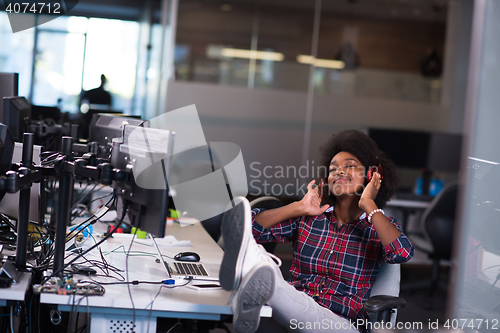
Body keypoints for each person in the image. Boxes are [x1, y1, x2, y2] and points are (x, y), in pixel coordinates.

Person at [220, 129, 415, 333]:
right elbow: (246, 229)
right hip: (292, 309)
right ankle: (257, 274)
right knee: (259, 257)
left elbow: (402, 253)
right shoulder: (310, 219)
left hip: (340, 324)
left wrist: (368, 203)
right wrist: (299, 207)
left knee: (269, 278)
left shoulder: (378, 226)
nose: (339, 172)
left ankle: (256, 281)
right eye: (333, 169)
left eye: (349, 166)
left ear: (371, 176)